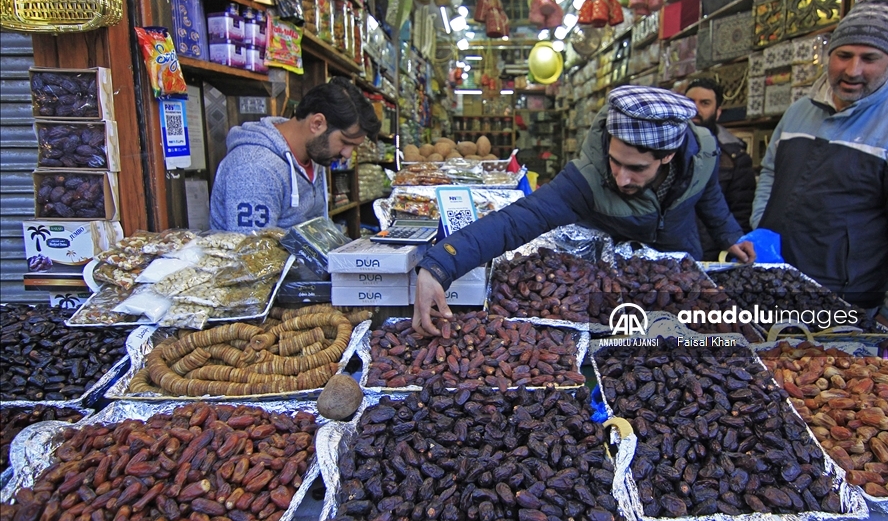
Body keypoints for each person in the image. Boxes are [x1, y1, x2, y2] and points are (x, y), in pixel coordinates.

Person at [413, 86, 756, 335]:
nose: (621, 178)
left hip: (678, 271)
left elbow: (707, 194)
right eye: (615, 161)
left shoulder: (703, 154)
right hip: (616, 289)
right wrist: (439, 265)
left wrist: (729, 235)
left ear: (668, 156)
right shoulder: (587, 178)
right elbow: (516, 221)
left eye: (636, 168)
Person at [751, 0, 888, 352]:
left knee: (824, 382)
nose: (853, 70)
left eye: (869, 58)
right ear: (828, 55)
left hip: (845, 301)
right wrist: (760, 232)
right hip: (772, 286)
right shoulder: (799, 112)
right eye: (844, 55)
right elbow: (770, 174)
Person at [210, 77, 380, 232]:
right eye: (345, 142)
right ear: (317, 123)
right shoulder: (254, 169)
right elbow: (252, 252)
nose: (348, 154)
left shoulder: (313, 154)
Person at [684, 77, 756, 259]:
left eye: (705, 103)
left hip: (712, 253)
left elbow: (740, 211)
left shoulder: (734, 157)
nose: (695, 109)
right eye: (690, 102)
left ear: (717, 112)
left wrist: (733, 245)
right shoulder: (665, 148)